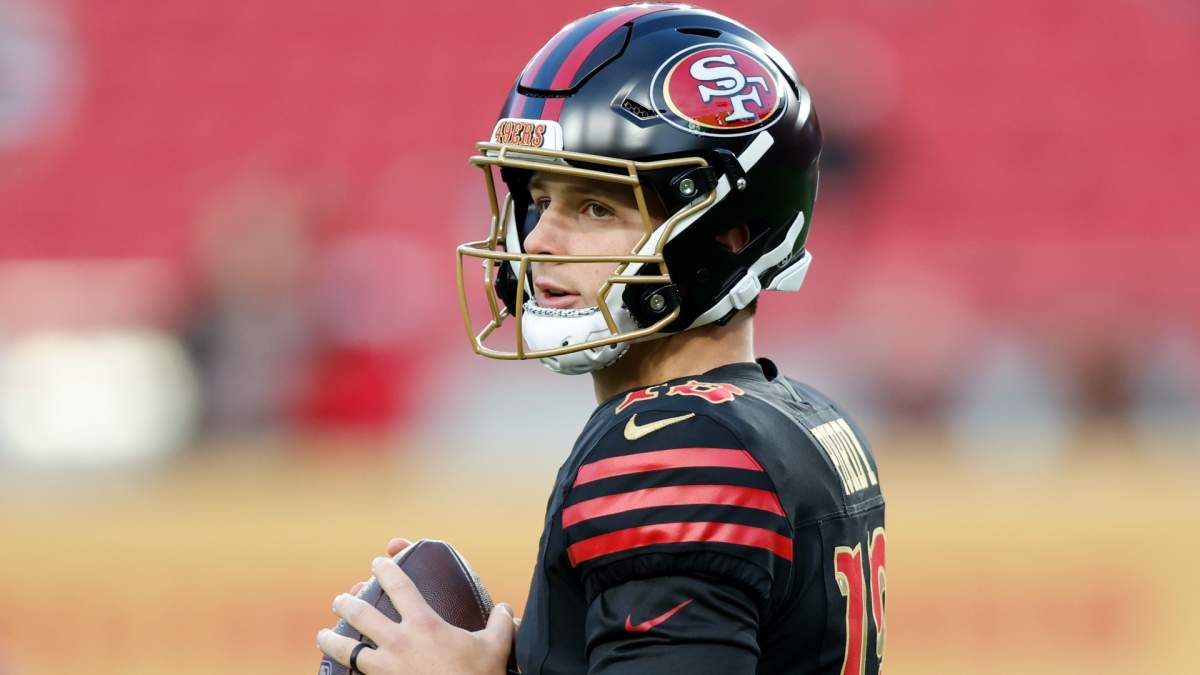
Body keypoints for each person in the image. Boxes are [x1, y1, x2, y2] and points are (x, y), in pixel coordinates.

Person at [317, 5, 886, 674]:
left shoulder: (669, 451)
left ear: (728, 237)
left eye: (595, 206)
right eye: (539, 200)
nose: (538, 240)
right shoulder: (806, 415)